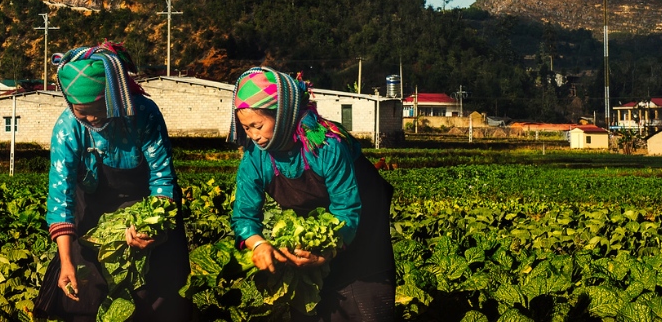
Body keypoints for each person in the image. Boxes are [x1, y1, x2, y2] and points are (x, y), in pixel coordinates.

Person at [34, 41, 190, 322]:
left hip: (147, 207)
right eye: (82, 111)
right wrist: (67, 262)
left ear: (116, 95)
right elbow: (61, 198)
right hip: (93, 211)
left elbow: (162, 178)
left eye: (99, 107)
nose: (92, 117)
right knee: (85, 291)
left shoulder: (144, 114)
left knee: (154, 293)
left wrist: (155, 230)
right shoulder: (67, 129)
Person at [229, 66, 396, 322]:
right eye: (246, 128)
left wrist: (329, 251)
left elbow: (346, 210)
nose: (254, 136)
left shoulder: (325, 145)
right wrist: (258, 244)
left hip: (362, 216)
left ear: (283, 114)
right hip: (316, 216)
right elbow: (244, 216)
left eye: (258, 125)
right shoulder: (254, 158)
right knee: (316, 307)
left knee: (363, 303)